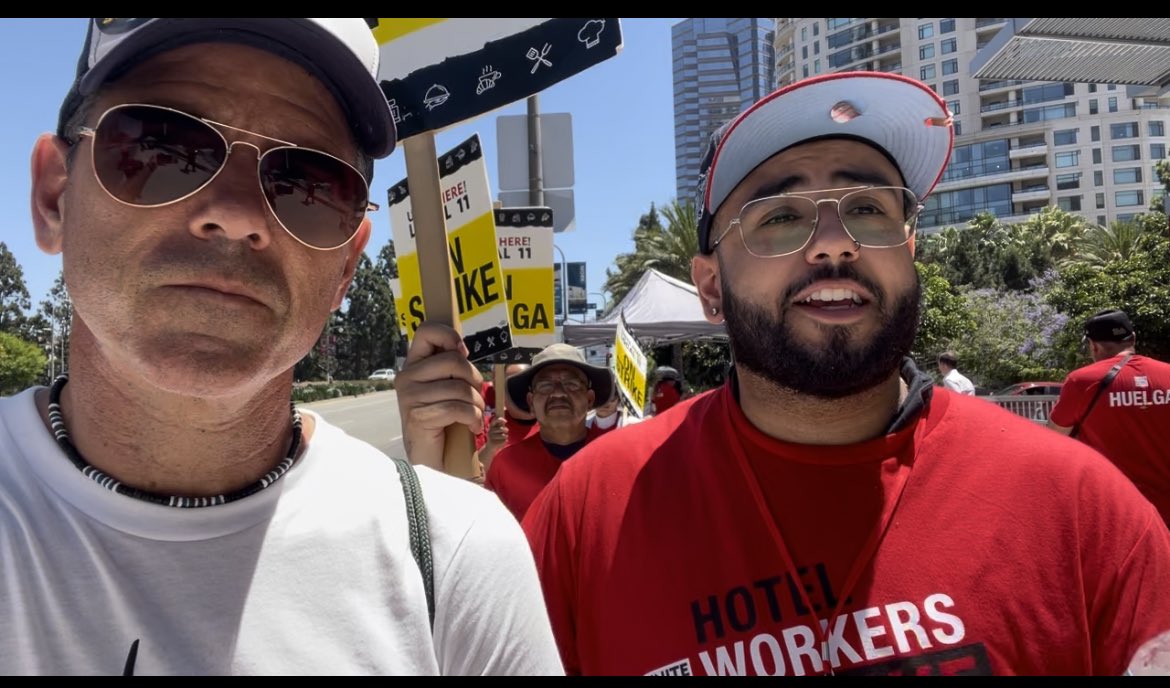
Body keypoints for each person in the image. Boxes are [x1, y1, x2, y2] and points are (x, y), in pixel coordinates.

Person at [397, 71, 1170, 675]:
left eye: (869, 207)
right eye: (779, 217)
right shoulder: (589, 513)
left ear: (911, 249)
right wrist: (442, 520)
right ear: (708, 287)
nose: (834, 243)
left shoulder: (1081, 509)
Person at [0, 18, 561, 676]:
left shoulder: (458, 558)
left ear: (346, 270)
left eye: (309, 186)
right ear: (53, 197)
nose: (236, 213)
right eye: (160, 145)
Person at [1049, 309, 1170, 527]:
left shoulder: (1081, 382)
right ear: (1133, 338)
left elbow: (1053, 440)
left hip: (1117, 513)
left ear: (1094, 345)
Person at [484, 343, 612, 521]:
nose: (558, 393)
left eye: (571, 384)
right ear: (531, 402)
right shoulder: (506, 466)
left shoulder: (612, 460)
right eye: (545, 385)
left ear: (589, 399)